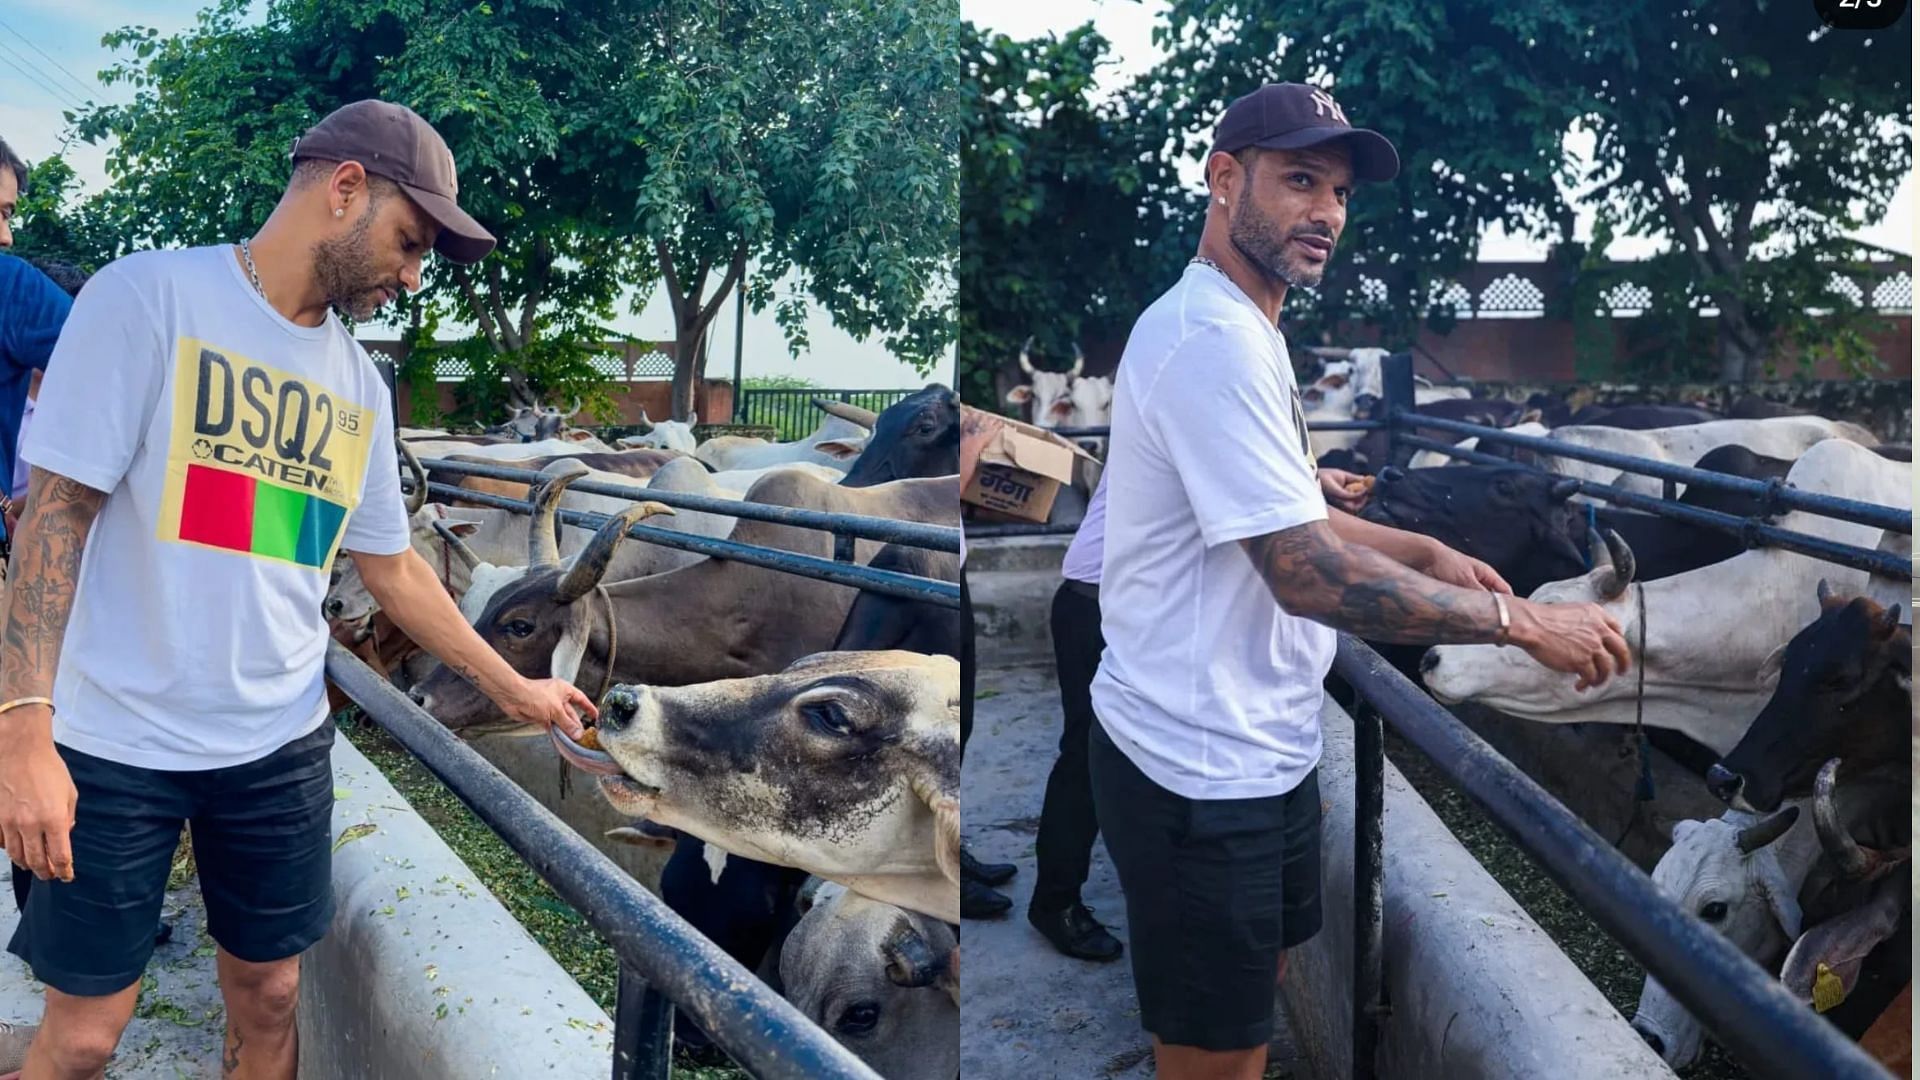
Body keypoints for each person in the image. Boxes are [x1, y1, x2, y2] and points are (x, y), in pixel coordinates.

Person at [0, 100, 598, 1080]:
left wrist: (515, 688)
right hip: (113, 742)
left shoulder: (360, 388)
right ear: (346, 189)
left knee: (272, 1000)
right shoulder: (148, 300)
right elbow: (55, 515)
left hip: (274, 746)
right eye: (409, 243)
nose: (411, 277)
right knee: (82, 1036)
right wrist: (22, 725)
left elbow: (392, 569)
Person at [1088, 83, 1631, 1080]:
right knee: (1215, 1061)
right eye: (1300, 180)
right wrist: (1517, 622)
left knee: (1253, 1009)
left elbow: (1282, 517)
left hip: (1258, 747)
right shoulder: (1212, 340)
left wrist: (1417, 552)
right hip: (1202, 774)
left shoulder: (1245, 327)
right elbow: (1302, 574)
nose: (1328, 212)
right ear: (1222, 179)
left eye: (1339, 191)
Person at [1027, 461, 1369, 963]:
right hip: (1105, 599)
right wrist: (1425, 554)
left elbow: (1231, 467)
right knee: (1087, 750)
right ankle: (1054, 901)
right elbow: (1233, 481)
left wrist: (1313, 479)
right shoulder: (1196, 385)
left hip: (1141, 598)